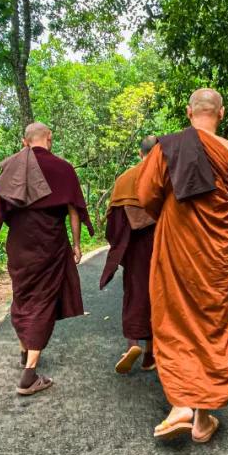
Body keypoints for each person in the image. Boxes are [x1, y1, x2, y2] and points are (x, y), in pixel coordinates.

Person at [137, 88, 228, 443]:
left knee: (175, 320)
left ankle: (180, 407)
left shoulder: (167, 147)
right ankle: (202, 416)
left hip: (176, 249)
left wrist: (172, 215)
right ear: (221, 113)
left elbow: (146, 196)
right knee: (211, 325)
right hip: (217, 257)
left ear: (190, 112)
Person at [0, 122, 92, 396]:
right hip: (49, 240)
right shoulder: (63, 168)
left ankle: (26, 350)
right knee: (43, 299)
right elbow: (74, 211)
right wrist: (77, 244)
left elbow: (2, 209)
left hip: (19, 243)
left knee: (22, 294)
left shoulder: (12, 166)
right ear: (50, 138)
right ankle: (29, 375)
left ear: (25, 142)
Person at [100, 135, 159, 374]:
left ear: (139, 154)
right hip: (159, 245)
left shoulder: (124, 179)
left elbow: (114, 222)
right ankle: (149, 356)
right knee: (158, 297)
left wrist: (119, 246)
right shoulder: (164, 178)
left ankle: (131, 345)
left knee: (134, 292)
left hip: (134, 248)